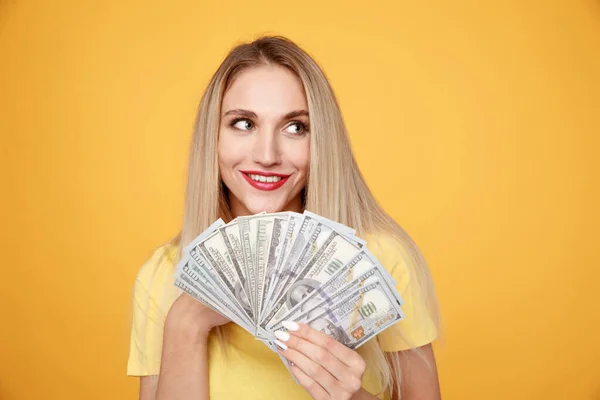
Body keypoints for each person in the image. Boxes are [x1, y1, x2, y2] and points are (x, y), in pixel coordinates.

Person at [127, 35, 442, 400]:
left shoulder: (382, 259)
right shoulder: (162, 276)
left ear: (321, 140)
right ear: (212, 136)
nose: (267, 154)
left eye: (295, 127)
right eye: (244, 123)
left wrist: (350, 396)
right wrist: (185, 322)